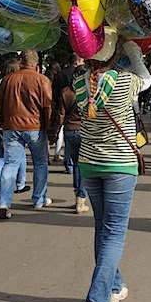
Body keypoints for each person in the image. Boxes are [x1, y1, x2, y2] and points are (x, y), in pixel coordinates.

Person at [75, 40, 151, 302]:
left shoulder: (79, 82)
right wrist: (131, 49)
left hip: (89, 165)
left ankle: (115, 287)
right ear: (114, 57)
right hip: (119, 165)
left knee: (103, 228)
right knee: (114, 233)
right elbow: (147, 77)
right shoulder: (124, 81)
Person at [0, 50, 53, 218]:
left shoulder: (8, 80)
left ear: (21, 62)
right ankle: (39, 199)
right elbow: (47, 107)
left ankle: (4, 203)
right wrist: (49, 129)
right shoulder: (42, 80)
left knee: (10, 164)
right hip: (35, 127)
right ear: (36, 64)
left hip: (11, 126)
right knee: (40, 163)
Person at [50, 60, 88, 214]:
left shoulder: (65, 92)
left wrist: (54, 132)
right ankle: (81, 199)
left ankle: (77, 197)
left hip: (69, 131)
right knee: (84, 166)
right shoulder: (89, 91)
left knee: (76, 165)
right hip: (85, 131)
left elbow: (60, 114)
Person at [0, 59, 28, 202]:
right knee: (14, 156)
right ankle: (17, 184)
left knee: (1, 156)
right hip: (11, 125)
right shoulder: (16, 84)